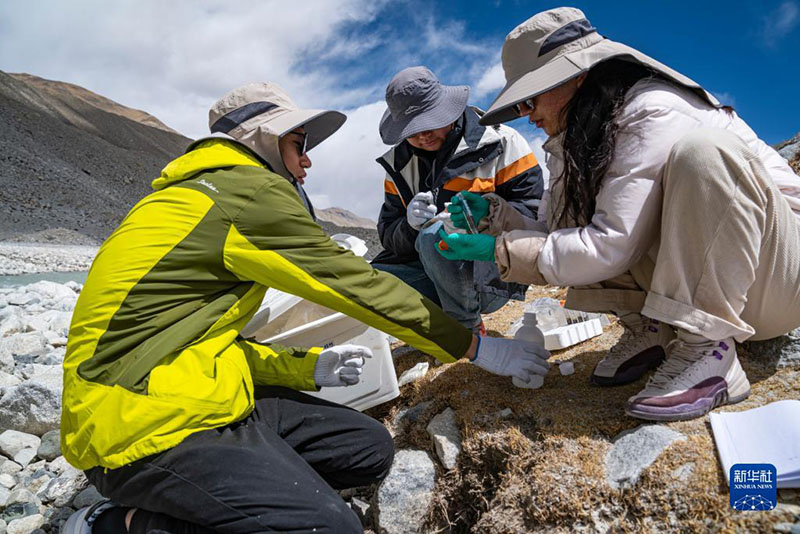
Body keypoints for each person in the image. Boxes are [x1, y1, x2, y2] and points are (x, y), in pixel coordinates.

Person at [61, 82, 550, 534]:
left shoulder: (202, 195)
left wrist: (307, 367)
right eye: (298, 145)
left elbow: (196, 339)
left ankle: (246, 491)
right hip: (136, 424)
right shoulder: (245, 192)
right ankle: (116, 522)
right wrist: (474, 347)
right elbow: (353, 281)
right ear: (263, 142)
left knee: (369, 451)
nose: (307, 163)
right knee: (333, 529)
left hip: (198, 390)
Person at [437, 7, 800, 421]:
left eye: (531, 97)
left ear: (575, 75)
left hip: (778, 279)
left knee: (704, 153)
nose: (528, 113)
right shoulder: (573, 140)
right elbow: (560, 233)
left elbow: (608, 245)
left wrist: (499, 251)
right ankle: (653, 330)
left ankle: (708, 346)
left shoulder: (653, 109)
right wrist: (499, 219)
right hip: (731, 277)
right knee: (590, 213)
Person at [371, 66, 544, 332]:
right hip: (431, 274)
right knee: (370, 280)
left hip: (494, 273)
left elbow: (533, 215)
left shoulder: (502, 142)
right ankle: (437, 323)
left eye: (429, 122)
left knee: (435, 237)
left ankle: (466, 331)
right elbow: (389, 236)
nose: (422, 135)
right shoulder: (398, 166)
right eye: (412, 129)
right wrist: (408, 225)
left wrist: (484, 217)